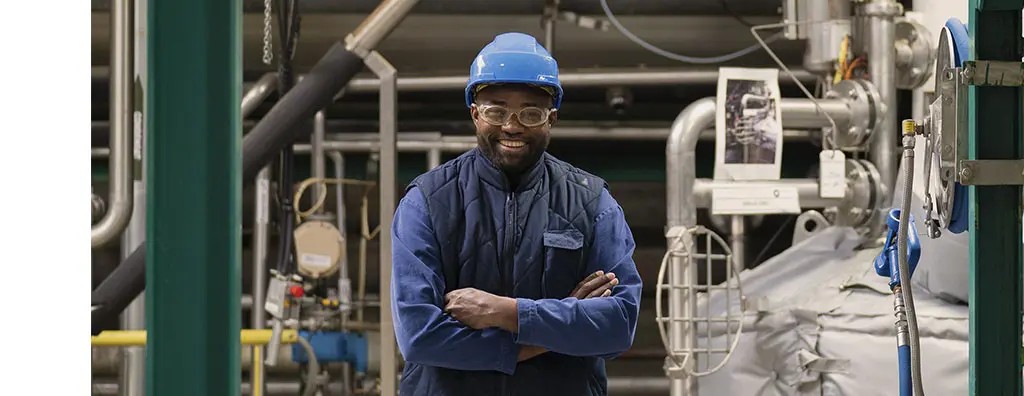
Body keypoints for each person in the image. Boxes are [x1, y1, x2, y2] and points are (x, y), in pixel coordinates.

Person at [390, 32, 643, 395]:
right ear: (475, 114)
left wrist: (507, 312)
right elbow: (419, 336)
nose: (512, 125)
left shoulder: (592, 203)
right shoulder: (427, 202)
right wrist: (550, 333)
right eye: (496, 110)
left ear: (551, 118)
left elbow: (618, 325)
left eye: (531, 113)